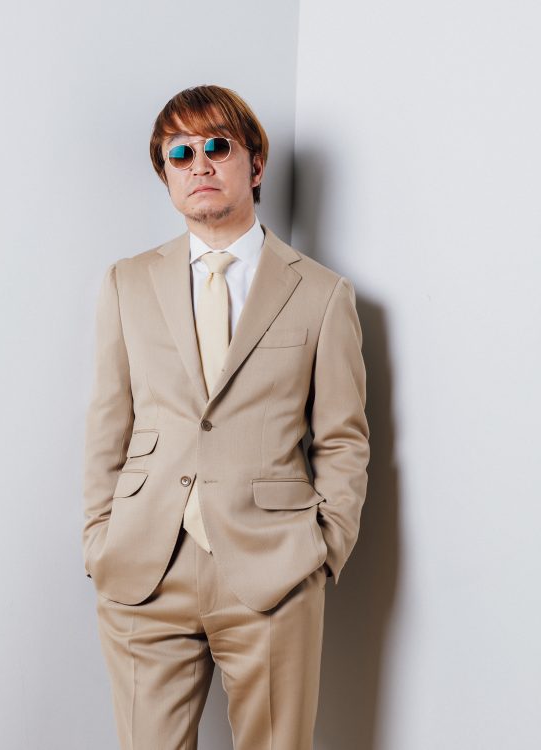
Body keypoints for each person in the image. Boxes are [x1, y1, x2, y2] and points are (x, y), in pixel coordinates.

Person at [81, 84, 370, 749]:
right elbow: (107, 424)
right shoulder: (127, 282)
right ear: (166, 175)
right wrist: (100, 539)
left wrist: (322, 551)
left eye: (217, 145)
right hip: (144, 568)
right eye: (179, 153)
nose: (200, 164)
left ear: (255, 163)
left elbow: (342, 438)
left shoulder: (322, 293)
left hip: (272, 573)